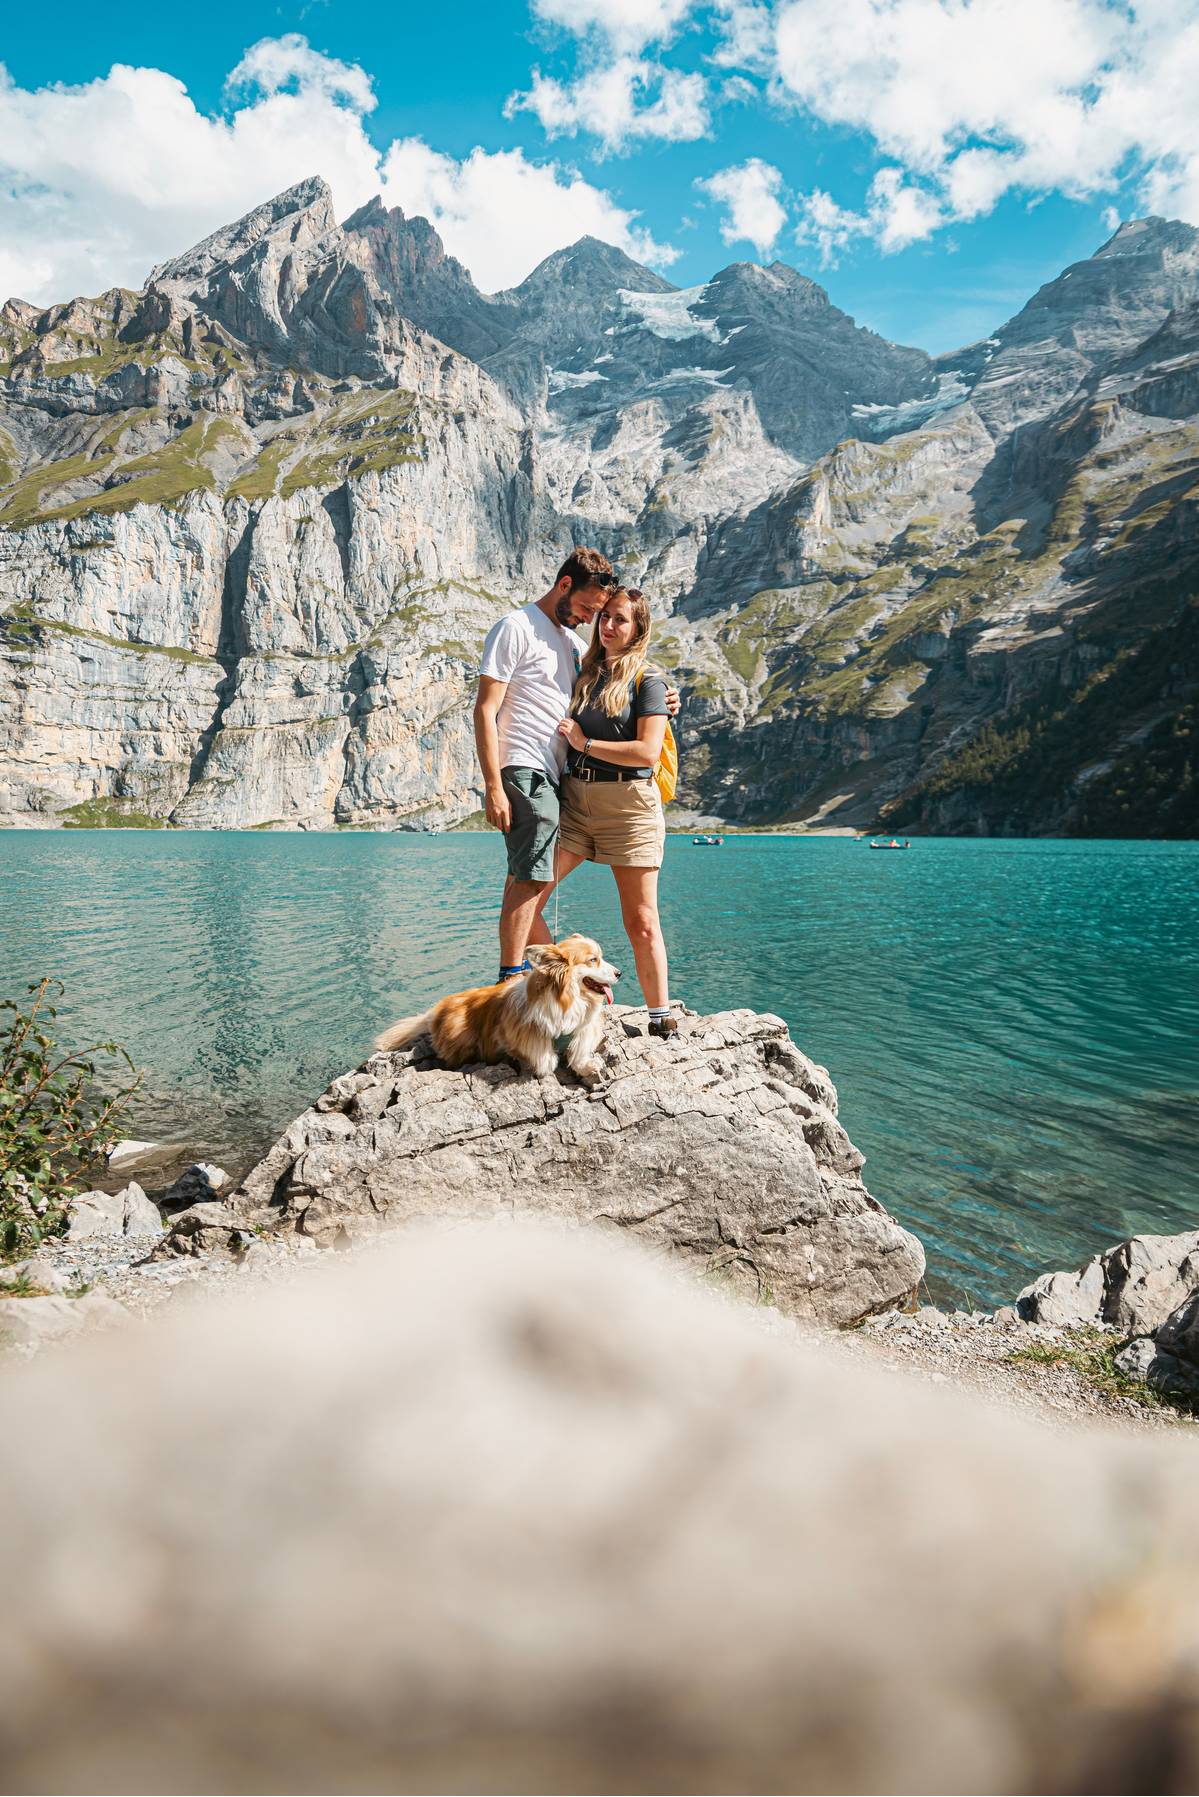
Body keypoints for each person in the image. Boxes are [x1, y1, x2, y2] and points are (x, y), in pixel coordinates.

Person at [474, 546, 614, 984]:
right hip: (522, 765)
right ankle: (511, 979)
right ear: (565, 586)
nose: (589, 619)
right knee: (532, 878)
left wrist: (668, 697)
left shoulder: (571, 642)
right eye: (587, 608)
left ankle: (521, 975)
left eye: (597, 613)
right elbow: (485, 709)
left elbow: (622, 682)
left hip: (554, 775)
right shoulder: (516, 627)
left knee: (525, 876)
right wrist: (493, 786)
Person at [553, 587, 678, 1041]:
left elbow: (646, 751)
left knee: (641, 919)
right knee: (528, 892)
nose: (608, 625)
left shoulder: (649, 681)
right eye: (603, 616)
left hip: (630, 807)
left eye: (620, 619)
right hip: (576, 802)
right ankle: (554, 988)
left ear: (638, 628)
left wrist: (584, 743)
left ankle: (660, 1013)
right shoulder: (583, 672)